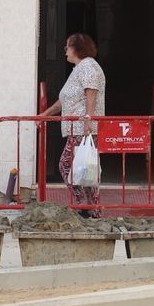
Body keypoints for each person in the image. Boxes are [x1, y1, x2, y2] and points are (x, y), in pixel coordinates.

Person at [38, 32, 106, 215]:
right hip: (77, 128)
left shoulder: (87, 66)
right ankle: (91, 209)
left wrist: (88, 119)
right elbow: (65, 100)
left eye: (67, 46)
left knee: (68, 166)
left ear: (77, 48)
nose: (65, 50)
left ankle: (83, 205)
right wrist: (45, 114)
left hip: (81, 128)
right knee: (84, 169)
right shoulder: (79, 69)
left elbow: (91, 92)